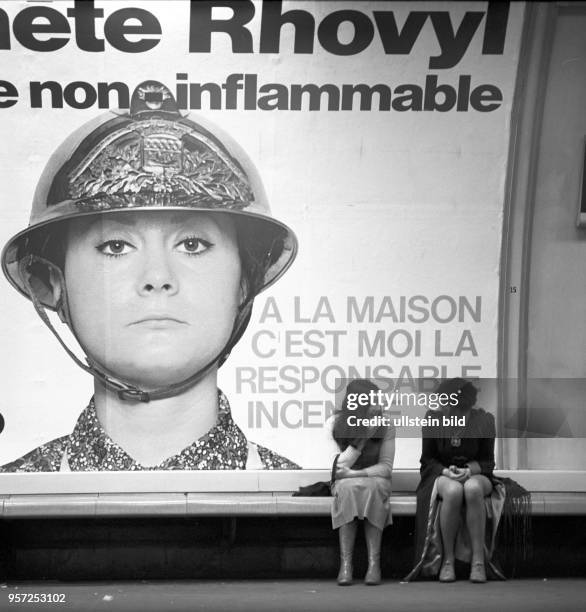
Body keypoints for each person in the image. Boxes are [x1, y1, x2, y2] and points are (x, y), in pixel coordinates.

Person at [0, 80, 299, 472]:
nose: (157, 277)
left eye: (192, 243)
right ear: (54, 284)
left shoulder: (310, 506)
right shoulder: (12, 495)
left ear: (245, 281)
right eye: (116, 246)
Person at [406, 378, 507, 583]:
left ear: (467, 406)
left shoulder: (485, 420)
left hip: (477, 474)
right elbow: (427, 460)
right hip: (442, 475)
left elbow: (488, 462)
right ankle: (447, 561)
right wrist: (446, 471)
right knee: (453, 491)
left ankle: (478, 561)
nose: (449, 413)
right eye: (446, 408)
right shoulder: (433, 419)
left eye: (455, 410)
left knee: (472, 489)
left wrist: (470, 470)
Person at [330, 379, 395, 586]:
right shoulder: (335, 423)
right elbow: (338, 467)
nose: (378, 405)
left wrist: (354, 474)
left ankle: (373, 564)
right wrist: (364, 437)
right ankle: (346, 565)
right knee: (349, 489)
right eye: (372, 401)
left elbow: (385, 468)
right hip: (343, 482)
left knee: (372, 488)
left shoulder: (386, 424)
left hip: (374, 480)